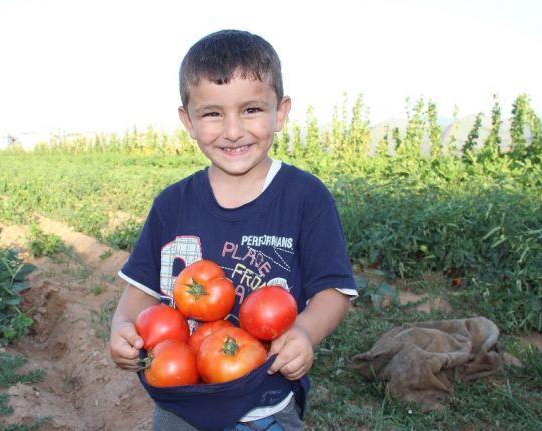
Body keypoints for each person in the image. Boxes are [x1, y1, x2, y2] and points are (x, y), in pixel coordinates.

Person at [109, 29, 357, 430]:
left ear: (281, 112)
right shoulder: (171, 204)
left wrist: (305, 333)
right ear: (187, 120)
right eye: (212, 113)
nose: (233, 130)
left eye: (251, 110)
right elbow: (140, 290)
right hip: (180, 400)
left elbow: (333, 290)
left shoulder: (305, 197)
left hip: (266, 403)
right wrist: (121, 327)